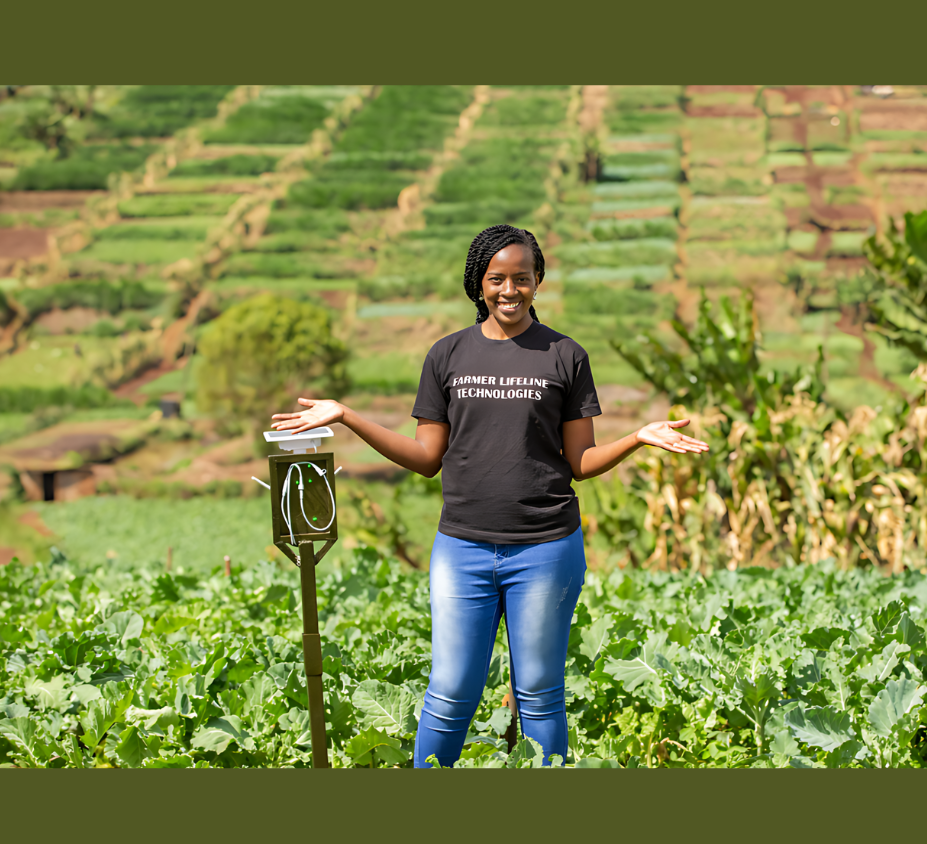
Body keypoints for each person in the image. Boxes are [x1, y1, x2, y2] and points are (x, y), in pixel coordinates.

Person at [270, 224, 709, 767]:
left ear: (538, 281)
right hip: (463, 549)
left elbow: (581, 463)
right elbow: (426, 457)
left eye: (521, 279)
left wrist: (637, 437)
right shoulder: (447, 355)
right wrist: (349, 417)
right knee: (450, 691)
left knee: (540, 695)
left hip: (546, 548)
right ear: (478, 284)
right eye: (496, 279)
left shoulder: (565, 356)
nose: (509, 290)